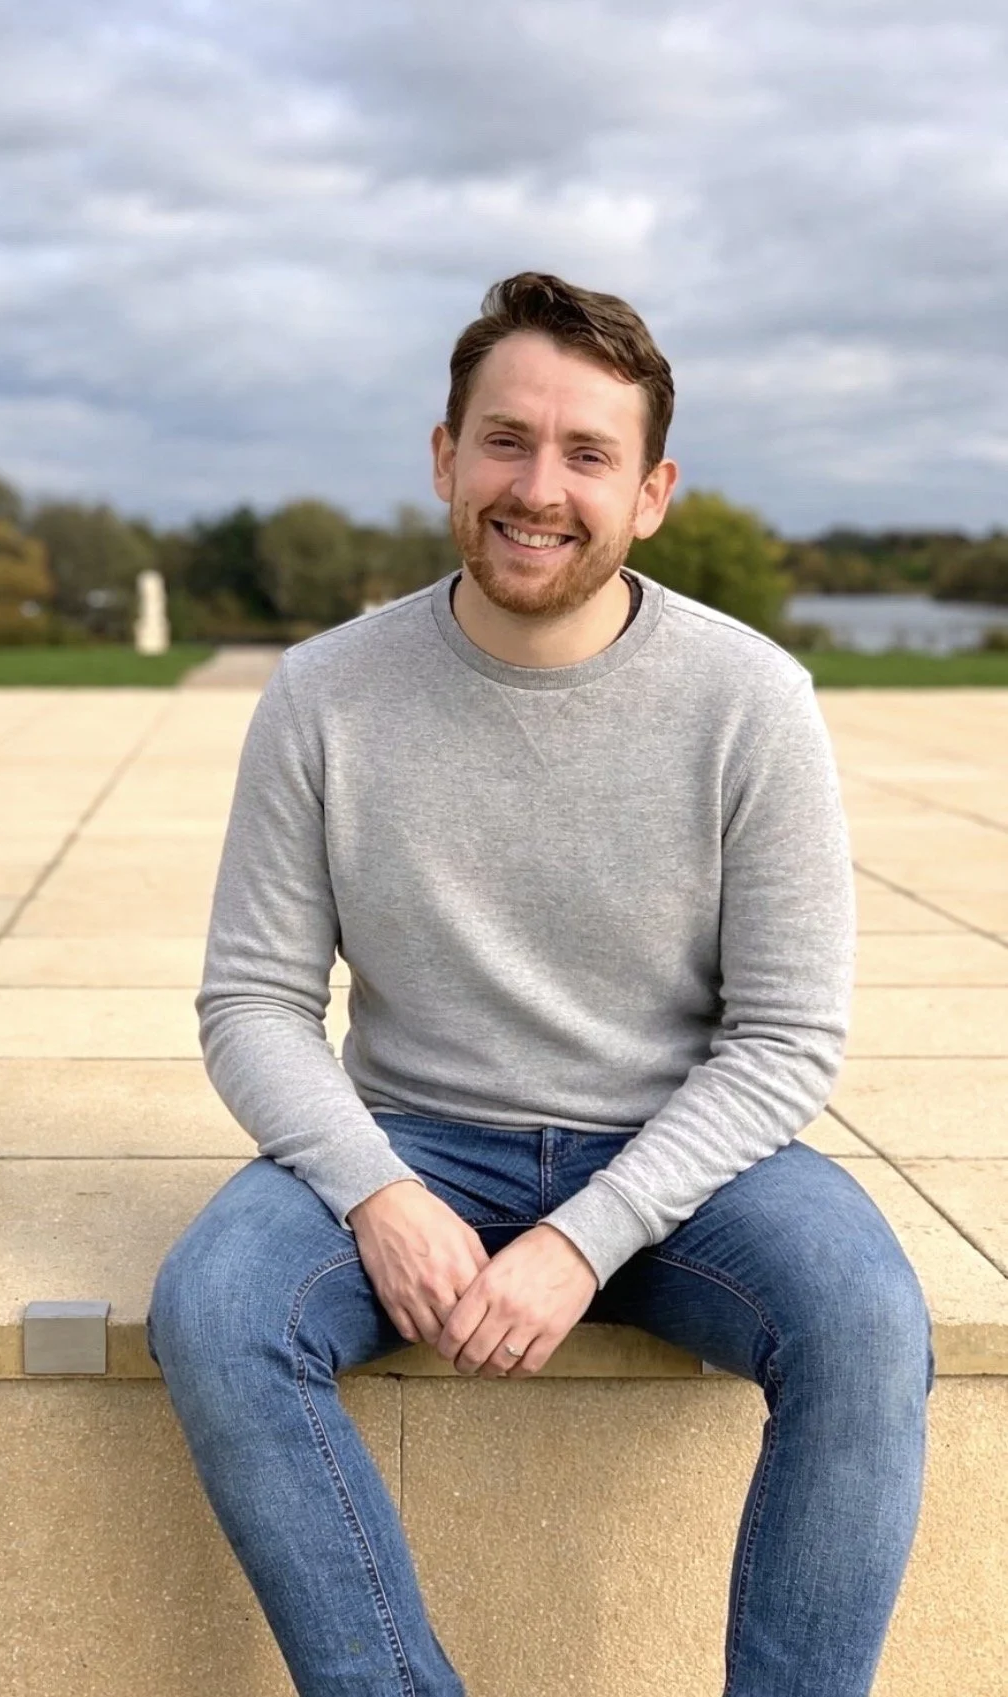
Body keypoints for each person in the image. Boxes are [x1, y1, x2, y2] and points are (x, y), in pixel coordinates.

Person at [146, 272, 935, 1697]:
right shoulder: (323, 694)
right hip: (416, 1142)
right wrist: (376, 1194)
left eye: (587, 453)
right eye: (504, 440)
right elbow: (252, 1002)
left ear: (650, 493)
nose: (538, 486)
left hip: (684, 1164)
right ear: (445, 458)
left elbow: (785, 1037)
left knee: (867, 1318)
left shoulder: (751, 699)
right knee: (215, 1304)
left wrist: (587, 1237)